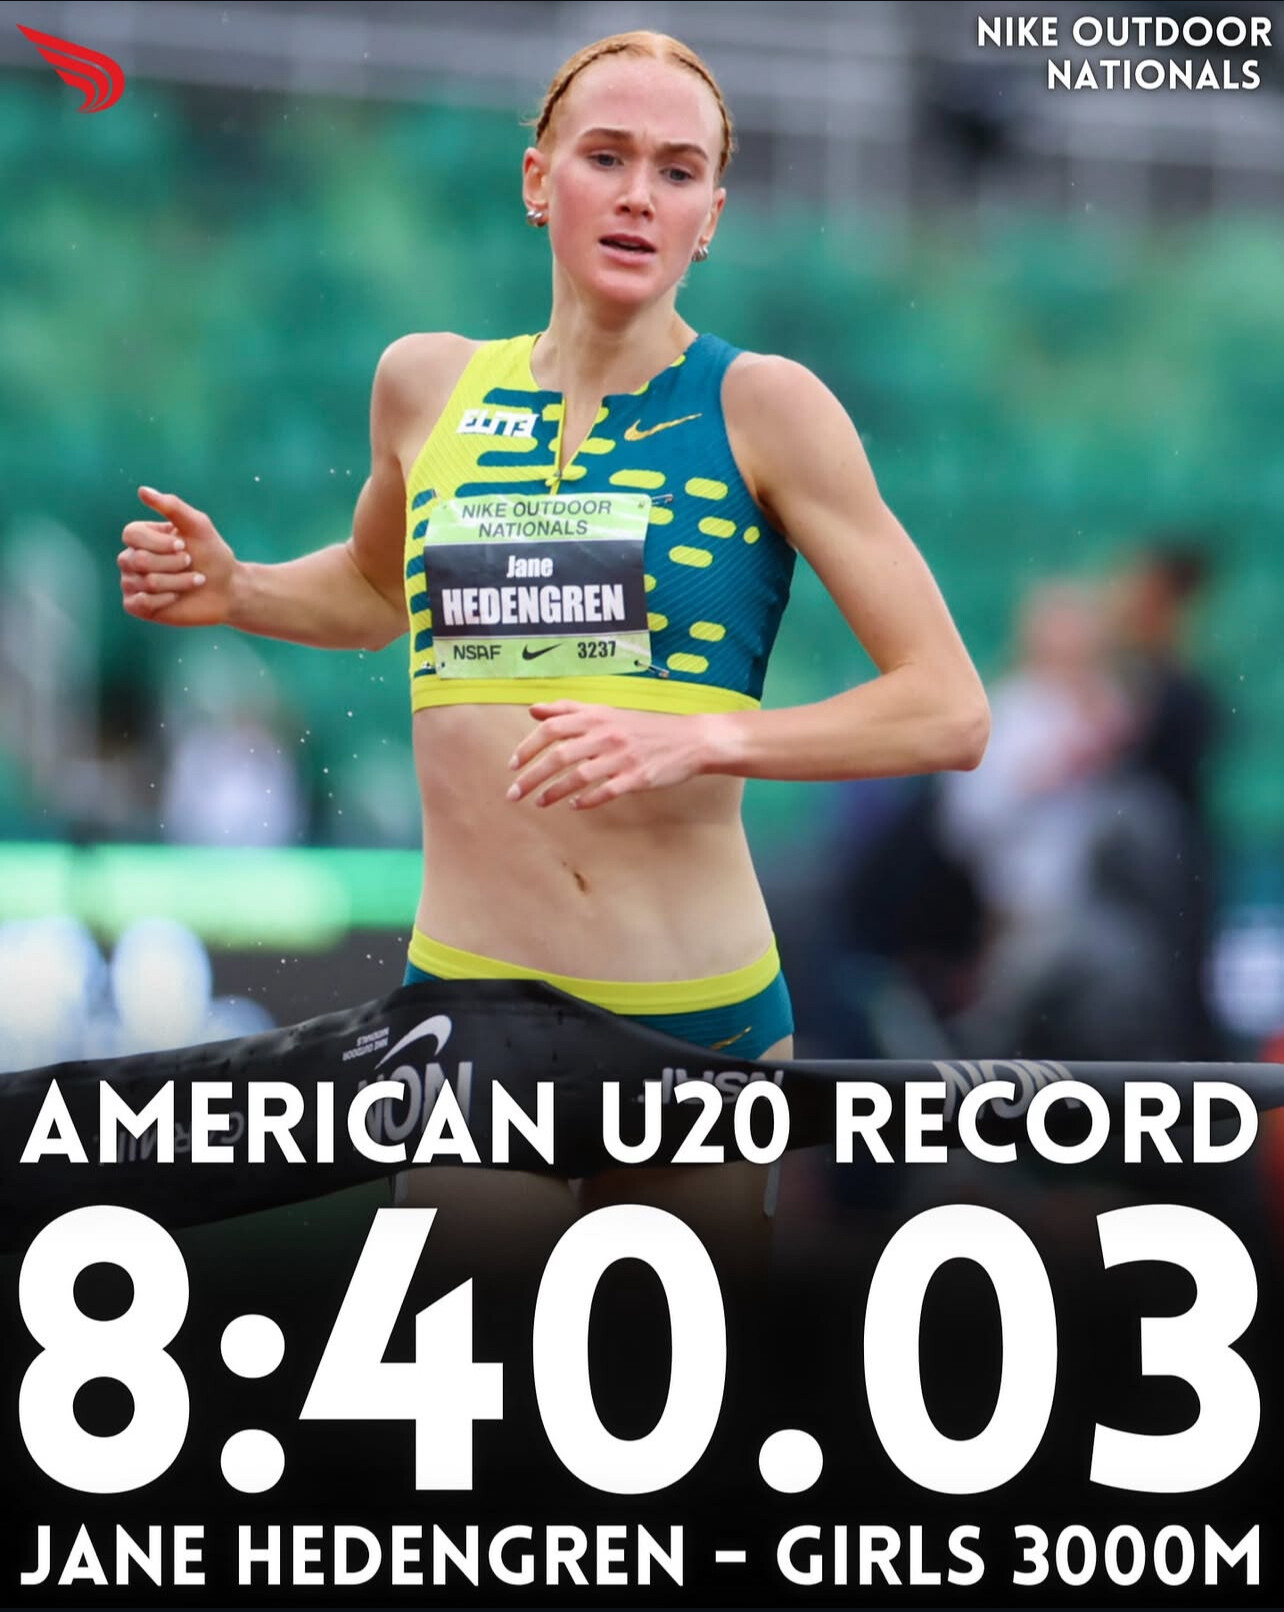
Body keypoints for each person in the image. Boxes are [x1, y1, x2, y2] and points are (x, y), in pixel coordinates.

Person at [118, 30, 988, 1259]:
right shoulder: (426, 387)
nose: (640, 195)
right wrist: (242, 589)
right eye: (607, 157)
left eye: (678, 172)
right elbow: (373, 588)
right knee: (460, 1365)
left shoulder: (767, 407)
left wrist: (697, 740)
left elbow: (947, 707)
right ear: (539, 180)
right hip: (471, 1012)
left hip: (698, 1025)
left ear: (711, 216)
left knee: (667, 1384)